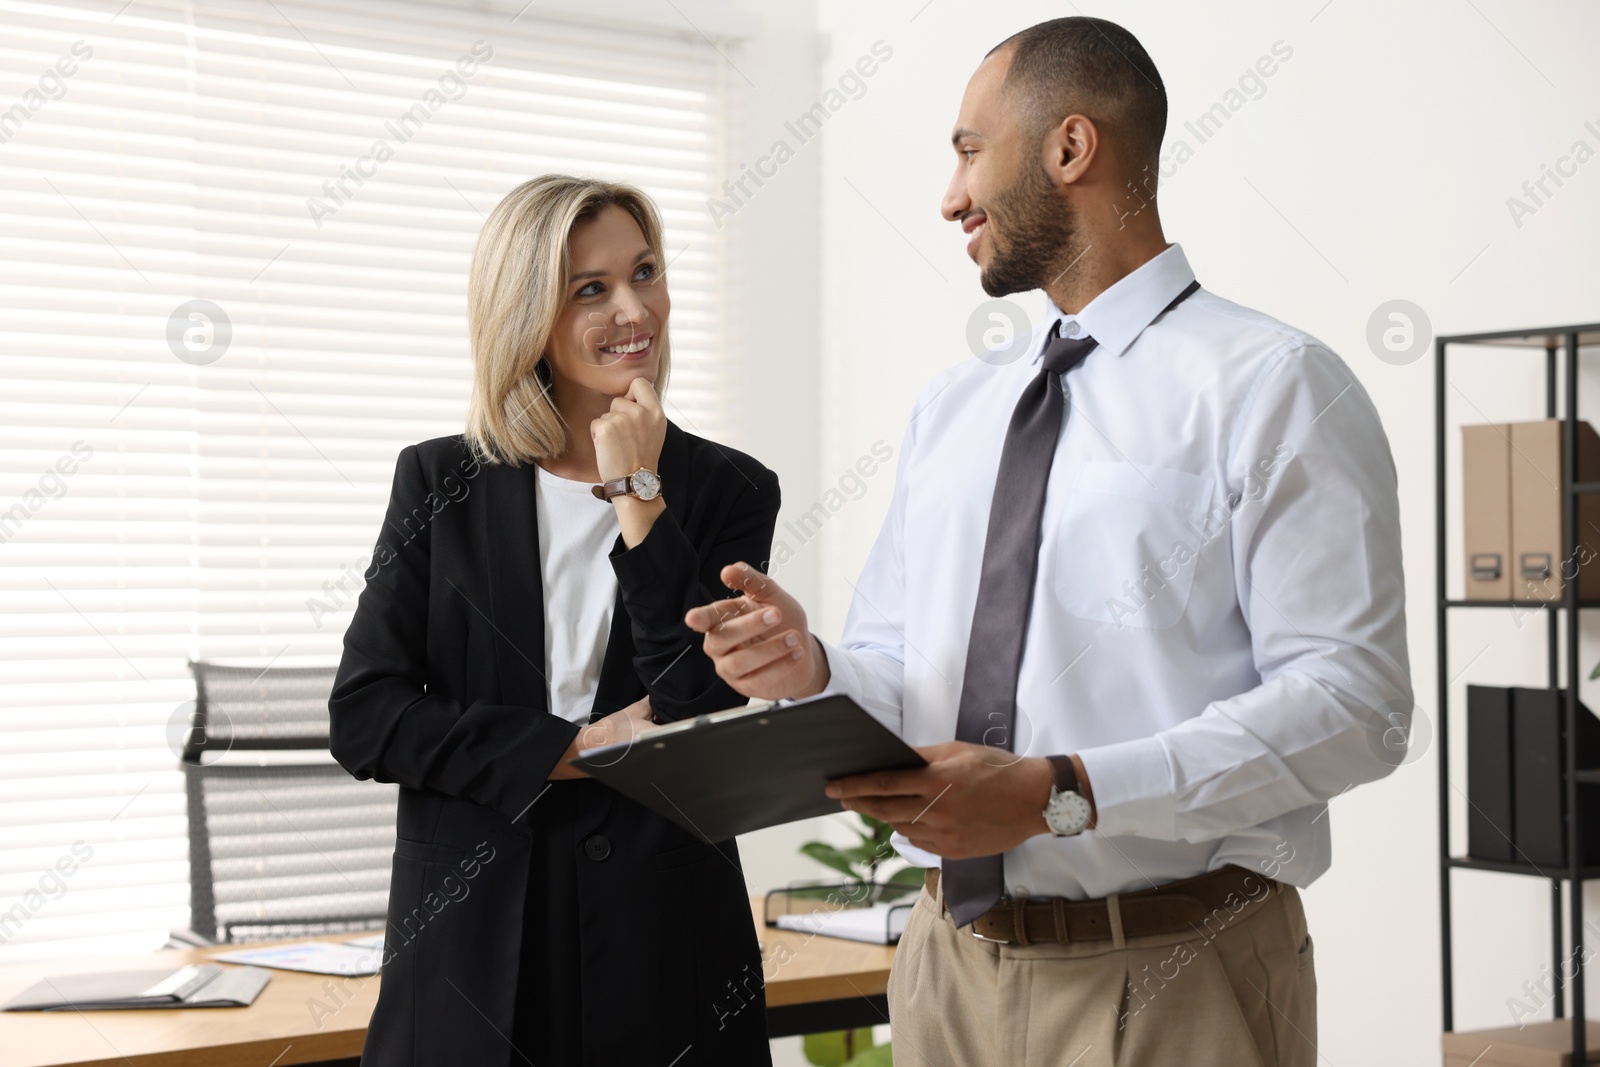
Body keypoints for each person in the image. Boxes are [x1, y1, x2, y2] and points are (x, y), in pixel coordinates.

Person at [687, 17, 1411, 1067]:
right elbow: (905, 673)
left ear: (1069, 149)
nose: (948, 196)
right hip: (943, 968)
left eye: (968, 148)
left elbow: (1357, 705)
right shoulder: (955, 407)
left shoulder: (1272, 385)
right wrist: (816, 668)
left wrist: (1061, 789)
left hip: (1171, 975)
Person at [330, 175, 779, 1066]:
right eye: (591, 288)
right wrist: (564, 751)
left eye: (644, 273)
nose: (633, 308)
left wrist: (637, 492)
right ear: (527, 312)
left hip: (663, 959)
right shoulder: (439, 484)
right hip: (472, 952)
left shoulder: (728, 487)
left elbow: (693, 709)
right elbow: (367, 715)